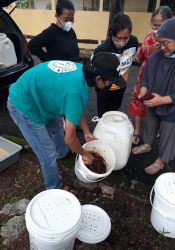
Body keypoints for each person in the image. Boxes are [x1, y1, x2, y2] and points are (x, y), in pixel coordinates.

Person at [7, 52, 127, 189]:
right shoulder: (75, 92)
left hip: (42, 99)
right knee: (47, 153)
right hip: (24, 104)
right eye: (110, 81)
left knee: (57, 127)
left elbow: (75, 109)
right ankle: (54, 187)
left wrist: (86, 131)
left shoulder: (81, 71)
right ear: (98, 78)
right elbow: (70, 139)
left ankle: (62, 153)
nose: (110, 84)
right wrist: (85, 154)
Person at [132, 18, 175, 175]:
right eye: (160, 42)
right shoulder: (157, 55)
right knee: (150, 123)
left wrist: (162, 100)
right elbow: (146, 76)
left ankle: (161, 160)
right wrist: (144, 89)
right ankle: (148, 144)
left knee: (168, 132)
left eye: (166, 43)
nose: (162, 47)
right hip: (153, 100)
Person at [128, 6, 172, 145]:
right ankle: (137, 130)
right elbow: (141, 57)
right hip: (144, 75)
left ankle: (156, 129)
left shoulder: (172, 40)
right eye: (155, 24)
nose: (157, 28)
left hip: (163, 77)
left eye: (161, 25)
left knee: (158, 103)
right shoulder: (147, 38)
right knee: (139, 100)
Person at [93, 13, 138, 117]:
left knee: (115, 111)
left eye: (125, 38)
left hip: (120, 86)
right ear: (112, 33)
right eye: (119, 38)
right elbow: (94, 72)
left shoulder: (133, 42)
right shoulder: (102, 49)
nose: (122, 42)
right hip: (105, 90)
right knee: (103, 116)